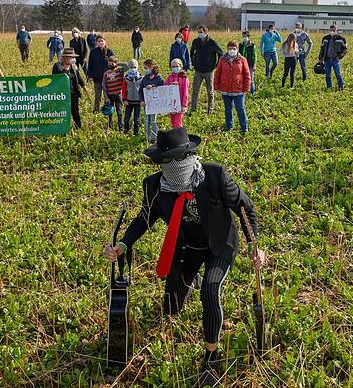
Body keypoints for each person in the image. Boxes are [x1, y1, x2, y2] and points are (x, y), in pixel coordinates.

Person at [103, 126, 264, 387]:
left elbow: (245, 209)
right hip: (186, 248)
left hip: (218, 246)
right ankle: (191, 282)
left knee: (211, 291)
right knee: (170, 308)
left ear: (189, 155)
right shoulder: (155, 186)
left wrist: (253, 244)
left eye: (178, 159)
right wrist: (123, 243)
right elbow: (145, 218)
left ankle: (211, 355)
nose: (173, 166)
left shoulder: (214, 176)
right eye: (165, 161)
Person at [214, 41, 251, 133]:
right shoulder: (222, 59)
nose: (232, 50)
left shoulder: (242, 60)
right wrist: (216, 85)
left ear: (237, 49)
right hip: (225, 89)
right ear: (227, 49)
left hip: (238, 89)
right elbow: (218, 73)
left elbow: (247, 74)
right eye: (230, 48)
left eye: (234, 48)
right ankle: (229, 127)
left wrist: (247, 87)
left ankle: (244, 128)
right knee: (228, 109)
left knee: (240, 108)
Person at [190, 26, 223, 114]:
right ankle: (193, 109)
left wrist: (217, 65)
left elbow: (221, 53)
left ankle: (210, 109)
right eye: (198, 32)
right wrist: (194, 63)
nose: (199, 34)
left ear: (206, 32)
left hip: (209, 71)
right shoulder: (195, 42)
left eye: (201, 32)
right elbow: (192, 52)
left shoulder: (212, 43)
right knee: (195, 91)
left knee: (210, 92)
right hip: (198, 71)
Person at [52, 48, 85, 129]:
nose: (72, 59)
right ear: (65, 57)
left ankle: (78, 128)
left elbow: (79, 78)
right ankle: (62, 128)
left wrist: (85, 88)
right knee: (63, 111)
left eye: (73, 57)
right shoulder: (57, 66)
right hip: (62, 93)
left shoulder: (74, 66)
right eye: (70, 57)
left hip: (73, 92)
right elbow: (53, 78)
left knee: (75, 111)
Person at [140, 59, 166, 143]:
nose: (145, 70)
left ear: (152, 67)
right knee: (146, 121)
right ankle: (147, 137)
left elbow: (162, 89)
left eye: (146, 68)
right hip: (146, 103)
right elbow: (140, 90)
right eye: (144, 68)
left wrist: (153, 86)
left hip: (155, 103)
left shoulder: (159, 78)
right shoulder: (145, 78)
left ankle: (154, 137)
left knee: (153, 120)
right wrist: (141, 100)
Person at [88, 35, 116, 113]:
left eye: (102, 41)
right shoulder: (93, 52)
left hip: (108, 79)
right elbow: (90, 65)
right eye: (99, 41)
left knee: (107, 96)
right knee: (97, 96)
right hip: (97, 78)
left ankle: (108, 110)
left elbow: (114, 64)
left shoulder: (110, 52)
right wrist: (90, 76)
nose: (100, 42)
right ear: (96, 42)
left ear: (105, 41)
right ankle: (96, 110)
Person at [317, 24, 348, 90]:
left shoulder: (341, 39)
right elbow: (322, 49)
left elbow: (345, 49)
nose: (332, 31)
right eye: (331, 30)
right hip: (326, 59)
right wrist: (320, 58)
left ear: (336, 30)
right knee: (328, 75)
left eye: (334, 30)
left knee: (338, 74)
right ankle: (329, 87)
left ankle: (341, 87)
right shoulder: (325, 38)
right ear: (329, 30)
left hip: (335, 60)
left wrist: (340, 56)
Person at [162, 59, 187, 131]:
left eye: (177, 66)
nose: (175, 68)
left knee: (177, 123)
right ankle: (176, 138)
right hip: (172, 104)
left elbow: (185, 92)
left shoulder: (184, 78)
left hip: (180, 104)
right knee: (173, 122)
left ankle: (181, 139)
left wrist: (184, 105)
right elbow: (164, 88)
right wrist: (170, 85)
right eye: (173, 66)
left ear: (181, 67)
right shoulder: (169, 77)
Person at [102, 56, 125, 132]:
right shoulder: (106, 73)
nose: (110, 64)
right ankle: (110, 125)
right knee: (110, 112)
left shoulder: (119, 71)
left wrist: (118, 63)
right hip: (109, 95)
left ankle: (121, 127)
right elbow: (104, 86)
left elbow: (127, 65)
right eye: (109, 63)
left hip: (118, 95)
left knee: (119, 111)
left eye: (112, 63)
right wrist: (106, 97)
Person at [121, 59, 143, 135]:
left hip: (138, 102)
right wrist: (124, 99)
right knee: (126, 119)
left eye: (134, 67)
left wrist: (142, 100)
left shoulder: (141, 78)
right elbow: (123, 90)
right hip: (128, 102)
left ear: (137, 67)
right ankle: (126, 131)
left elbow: (143, 90)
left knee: (136, 119)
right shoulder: (126, 78)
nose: (133, 69)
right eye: (131, 67)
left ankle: (136, 134)